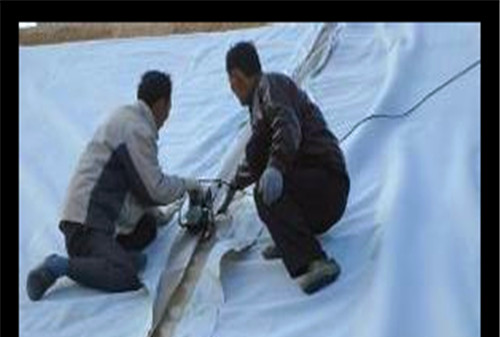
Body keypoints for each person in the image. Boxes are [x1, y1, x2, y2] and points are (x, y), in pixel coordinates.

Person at [26, 70, 202, 301]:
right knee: (126, 276)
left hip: (96, 220)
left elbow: (138, 186)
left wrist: (161, 215)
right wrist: (189, 186)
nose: (168, 115)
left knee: (148, 227)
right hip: (86, 225)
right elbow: (154, 189)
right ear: (161, 104)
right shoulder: (137, 129)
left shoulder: (127, 119)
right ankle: (57, 266)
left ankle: (114, 256)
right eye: (169, 107)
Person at [224, 42, 350, 294]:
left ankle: (317, 261)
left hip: (327, 182)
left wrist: (276, 167)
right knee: (258, 156)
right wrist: (230, 187)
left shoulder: (271, 85)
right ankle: (291, 242)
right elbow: (254, 158)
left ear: (237, 77)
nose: (232, 89)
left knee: (265, 191)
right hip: (314, 189)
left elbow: (287, 124)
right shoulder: (258, 106)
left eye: (232, 81)